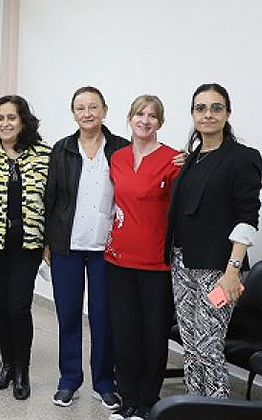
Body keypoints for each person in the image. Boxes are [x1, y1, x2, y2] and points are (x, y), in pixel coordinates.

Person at [166, 83, 261, 398]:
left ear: (227, 113)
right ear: (193, 114)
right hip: (183, 264)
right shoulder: (192, 159)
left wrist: (233, 271)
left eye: (216, 108)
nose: (208, 114)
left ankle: (218, 408)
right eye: (201, 108)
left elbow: (247, 217)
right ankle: (195, 405)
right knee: (192, 346)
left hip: (219, 269)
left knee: (209, 347)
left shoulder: (243, 158)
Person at [44, 86, 127, 410]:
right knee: (68, 314)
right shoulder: (62, 149)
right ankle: (69, 380)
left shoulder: (121, 148)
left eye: (93, 107)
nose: (88, 113)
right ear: (73, 113)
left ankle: (104, 382)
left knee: (104, 316)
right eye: (81, 108)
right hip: (67, 244)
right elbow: (50, 197)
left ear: (104, 110)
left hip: (107, 247)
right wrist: (47, 242)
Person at [0, 95, 51, 401]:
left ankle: (22, 372)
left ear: (23, 121)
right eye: (0, 118)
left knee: (18, 307)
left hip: (28, 245)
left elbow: (55, 201)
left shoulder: (44, 155)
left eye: (11, 117)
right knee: (0, 307)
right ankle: (7, 366)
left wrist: (50, 242)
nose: (5, 123)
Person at [105, 95, 180, 420]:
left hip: (156, 264)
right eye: (140, 114)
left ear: (160, 122)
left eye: (152, 116)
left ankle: (148, 402)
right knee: (124, 333)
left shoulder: (173, 160)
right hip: (118, 261)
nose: (145, 120)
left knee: (153, 335)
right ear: (130, 118)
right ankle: (128, 399)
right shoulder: (117, 157)